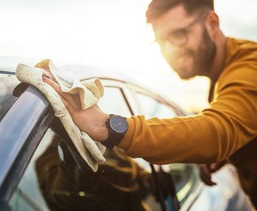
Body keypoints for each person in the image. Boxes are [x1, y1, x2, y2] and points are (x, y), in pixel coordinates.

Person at [43, 0, 257, 208]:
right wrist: (233, 155)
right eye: (161, 42)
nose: (170, 52)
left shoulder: (251, 65)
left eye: (178, 35)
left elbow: (216, 132)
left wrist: (109, 126)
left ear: (212, 23)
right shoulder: (226, 76)